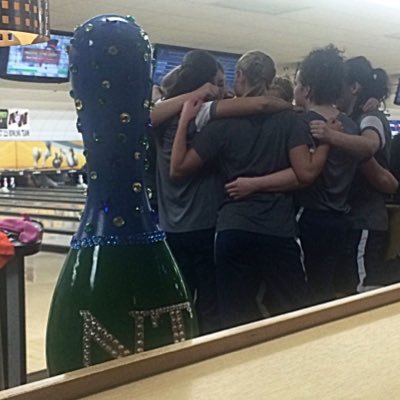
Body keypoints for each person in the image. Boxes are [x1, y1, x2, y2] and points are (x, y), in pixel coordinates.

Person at [170, 50, 328, 329]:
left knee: (235, 321)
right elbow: (304, 174)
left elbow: (179, 168)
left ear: (240, 76)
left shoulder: (221, 123)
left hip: (234, 230)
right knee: (295, 317)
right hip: (278, 231)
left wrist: (184, 122)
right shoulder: (290, 120)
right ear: (271, 79)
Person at [225, 45, 360, 305]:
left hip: (306, 219)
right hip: (340, 220)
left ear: (307, 88)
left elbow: (301, 174)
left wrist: (254, 184)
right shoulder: (351, 126)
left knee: (294, 298)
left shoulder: (300, 122)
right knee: (325, 291)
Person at [309, 56, 398, 293]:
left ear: (354, 87)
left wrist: (330, 136)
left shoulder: (370, 118)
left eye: (341, 83)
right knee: (343, 287)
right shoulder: (352, 118)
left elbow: (369, 145)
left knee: (359, 289)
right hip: (351, 219)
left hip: (365, 219)